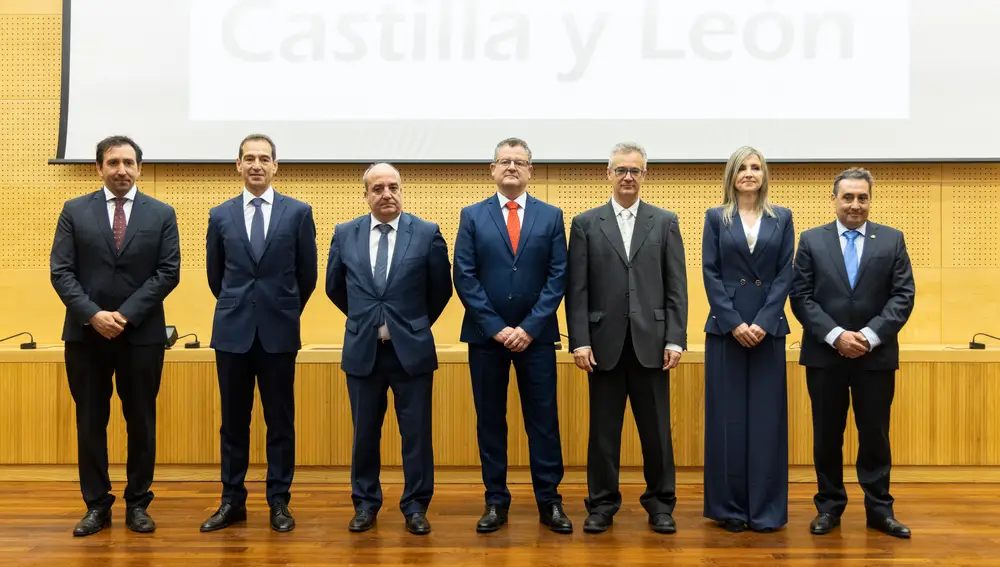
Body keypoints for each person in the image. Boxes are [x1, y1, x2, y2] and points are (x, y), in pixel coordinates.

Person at [50, 135, 181, 536]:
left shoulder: (161, 213)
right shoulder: (74, 211)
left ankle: (138, 503)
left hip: (141, 336)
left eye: (128, 162)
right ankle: (96, 505)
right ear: (99, 168)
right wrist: (93, 315)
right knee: (90, 421)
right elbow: (61, 271)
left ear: (139, 168)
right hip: (86, 337)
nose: (121, 169)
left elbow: (168, 272)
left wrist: (123, 315)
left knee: (140, 421)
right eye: (113, 162)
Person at [565, 142, 688, 535]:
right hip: (603, 346)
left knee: (656, 432)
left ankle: (660, 503)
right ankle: (601, 504)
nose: (628, 177)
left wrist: (675, 339)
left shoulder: (665, 221)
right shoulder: (586, 223)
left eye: (635, 170)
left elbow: (676, 287)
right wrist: (579, 341)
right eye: (621, 170)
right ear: (608, 174)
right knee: (603, 433)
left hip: (653, 343)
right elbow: (577, 289)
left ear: (644, 175)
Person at [452, 137, 573, 534]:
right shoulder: (472, 215)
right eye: (505, 161)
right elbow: (464, 277)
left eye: (519, 162)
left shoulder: (551, 216)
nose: (511, 167)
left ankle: (549, 502)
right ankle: (495, 501)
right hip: (487, 339)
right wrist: (498, 328)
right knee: (490, 420)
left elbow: (558, 277)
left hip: (536, 339)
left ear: (530, 171)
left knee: (543, 421)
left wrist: (528, 327)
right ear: (492, 169)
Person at [326, 163, 452, 535]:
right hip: (363, 349)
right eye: (377, 188)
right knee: (364, 433)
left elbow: (440, 289)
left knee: (416, 434)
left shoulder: (426, 232)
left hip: (410, 351)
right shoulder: (345, 233)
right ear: (365, 195)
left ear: (402, 190)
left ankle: (415, 506)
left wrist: (412, 324)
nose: (386, 194)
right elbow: (335, 287)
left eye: (393, 187)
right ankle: (365, 503)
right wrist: (365, 318)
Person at [790, 167, 915, 539]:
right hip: (825, 356)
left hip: (874, 357)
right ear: (834, 199)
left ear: (869, 200)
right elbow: (801, 296)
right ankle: (828, 507)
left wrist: (868, 336)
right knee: (827, 434)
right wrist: (835, 335)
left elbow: (903, 296)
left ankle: (879, 509)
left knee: (874, 434)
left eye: (862, 197)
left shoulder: (892, 240)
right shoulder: (811, 240)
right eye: (848, 197)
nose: (855, 204)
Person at [201, 134, 317, 533]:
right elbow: (217, 277)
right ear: (237, 164)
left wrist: (280, 311)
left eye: (263, 159)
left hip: (279, 334)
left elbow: (308, 276)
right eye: (248, 158)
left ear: (275, 166)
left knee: (280, 421)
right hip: (232, 334)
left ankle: (279, 501)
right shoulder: (220, 215)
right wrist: (243, 308)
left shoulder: (298, 213)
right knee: (234, 422)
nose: (256, 165)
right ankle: (231, 500)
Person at [701, 146, 794, 533]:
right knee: (728, 421)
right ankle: (730, 509)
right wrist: (735, 323)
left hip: (768, 331)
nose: (750, 173)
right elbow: (710, 273)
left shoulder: (782, 217)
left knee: (767, 422)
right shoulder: (715, 217)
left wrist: (764, 321)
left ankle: (766, 510)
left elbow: (785, 273)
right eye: (743, 167)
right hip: (727, 331)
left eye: (756, 167)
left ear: (764, 175)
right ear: (732, 175)